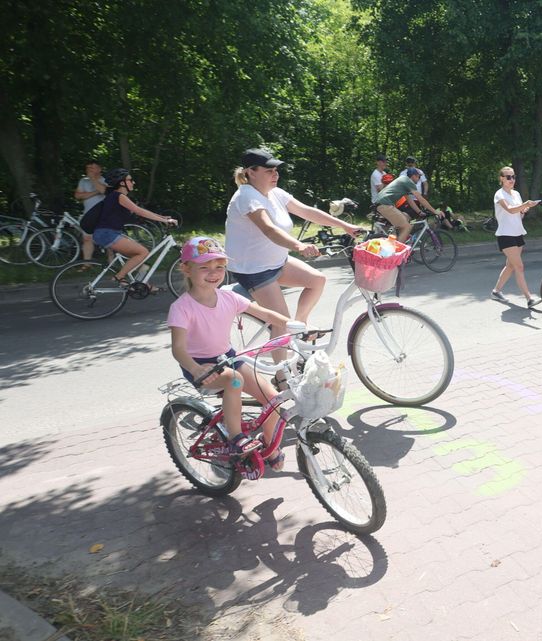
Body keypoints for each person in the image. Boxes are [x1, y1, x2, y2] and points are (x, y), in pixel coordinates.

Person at [168, 237, 292, 470]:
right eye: (204, 267)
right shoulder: (182, 308)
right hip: (200, 366)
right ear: (186, 268)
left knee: (273, 399)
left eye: (219, 267)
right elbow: (178, 349)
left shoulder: (228, 297)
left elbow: (266, 313)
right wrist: (196, 369)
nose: (213, 273)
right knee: (234, 380)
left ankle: (270, 447)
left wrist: (295, 326)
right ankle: (236, 439)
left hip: (228, 357)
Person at [224, 148, 364, 345]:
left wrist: (345, 225)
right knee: (281, 324)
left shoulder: (275, 193)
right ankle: (281, 375)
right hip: (254, 269)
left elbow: (307, 212)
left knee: (317, 280)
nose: (275, 174)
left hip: (276, 262)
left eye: (276, 170)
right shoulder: (246, 196)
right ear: (251, 172)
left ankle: (299, 328)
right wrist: (299, 246)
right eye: (269, 171)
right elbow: (269, 229)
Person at [90, 168, 177, 287]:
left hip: (110, 233)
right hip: (107, 233)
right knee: (142, 252)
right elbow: (139, 211)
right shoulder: (119, 196)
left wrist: (163, 217)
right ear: (122, 182)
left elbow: (140, 211)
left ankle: (143, 285)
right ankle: (119, 277)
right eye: (130, 180)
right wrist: (164, 220)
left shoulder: (117, 196)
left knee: (140, 259)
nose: (133, 182)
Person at [490, 167, 541, 306]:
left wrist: (524, 209)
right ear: (501, 178)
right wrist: (524, 205)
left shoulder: (516, 194)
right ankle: (529, 298)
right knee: (519, 267)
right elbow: (510, 210)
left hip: (518, 233)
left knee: (511, 266)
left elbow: (518, 214)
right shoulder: (499, 194)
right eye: (508, 177)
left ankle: (496, 291)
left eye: (513, 177)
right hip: (506, 235)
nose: (511, 180)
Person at [374, 166, 442, 242]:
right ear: (413, 176)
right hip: (385, 204)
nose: (419, 179)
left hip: (381, 204)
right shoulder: (408, 182)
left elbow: (410, 201)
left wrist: (419, 212)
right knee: (407, 227)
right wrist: (435, 211)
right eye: (418, 177)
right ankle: (398, 251)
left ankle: (396, 239)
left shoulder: (403, 180)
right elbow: (421, 199)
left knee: (405, 218)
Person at [73, 161, 105, 261]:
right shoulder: (83, 181)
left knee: (108, 240)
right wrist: (96, 192)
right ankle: (86, 264)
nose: (89, 170)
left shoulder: (106, 180)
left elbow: (104, 190)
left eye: (92, 167)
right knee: (87, 239)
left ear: (99, 169)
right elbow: (77, 196)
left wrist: (93, 179)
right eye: (87, 168)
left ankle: (112, 260)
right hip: (88, 215)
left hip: (104, 214)